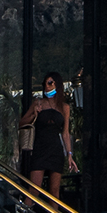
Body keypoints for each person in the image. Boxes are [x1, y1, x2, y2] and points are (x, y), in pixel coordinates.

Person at [20, 73, 75, 202]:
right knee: (34, 189)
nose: (47, 86)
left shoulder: (64, 107)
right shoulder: (38, 103)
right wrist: (35, 114)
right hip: (40, 148)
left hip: (55, 149)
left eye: (50, 83)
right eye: (45, 83)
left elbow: (65, 133)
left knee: (54, 192)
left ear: (57, 84)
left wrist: (69, 154)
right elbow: (22, 122)